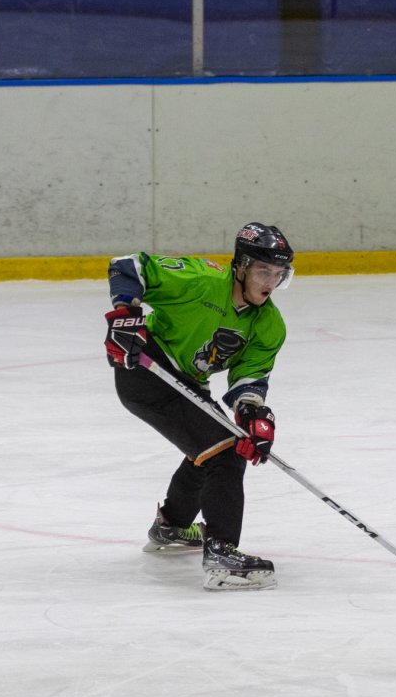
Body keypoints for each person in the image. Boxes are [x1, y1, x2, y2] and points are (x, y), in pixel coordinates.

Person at [105, 222, 292, 591]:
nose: (270, 282)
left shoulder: (269, 325)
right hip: (147, 367)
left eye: (279, 274)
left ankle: (173, 526)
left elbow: (249, 379)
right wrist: (125, 314)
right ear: (241, 267)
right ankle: (222, 553)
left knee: (213, 446)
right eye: (262, 271)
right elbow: (128, 265)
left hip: (189, 383)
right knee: (226, 452)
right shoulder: (201, 280)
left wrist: (253, 414)